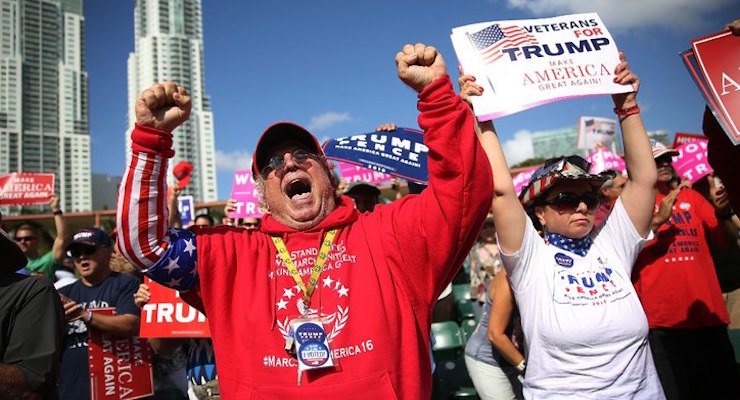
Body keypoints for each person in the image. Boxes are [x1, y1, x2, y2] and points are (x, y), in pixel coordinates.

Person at [116, 43, 492, 398]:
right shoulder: (231, 252)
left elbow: (465, 191)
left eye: (301, 154)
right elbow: (144, 247)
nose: (289, 164)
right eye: (273, 165)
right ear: (263, 194)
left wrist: (438, 98)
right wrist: (151, 140)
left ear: (329, 174)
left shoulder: (389, 233)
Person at [460, 52, 665, 398]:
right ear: (540, 213)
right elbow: (500, 192)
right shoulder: (530, 260)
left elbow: (644, 180)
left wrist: (627, 106)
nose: (582, 206)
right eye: (566, 199)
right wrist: (483, 116)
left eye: (590, 197)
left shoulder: (612, 243)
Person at [631, 142, 740, 400]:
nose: (665, 164)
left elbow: (726, 242)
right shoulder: (630, 206)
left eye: (667, 159)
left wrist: (724, 213)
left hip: (707, 316)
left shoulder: (691, 197)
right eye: (657, 161)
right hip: (661, 324)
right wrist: (656, 220)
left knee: (725, 390)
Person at [57, 227, 141, 400]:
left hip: (120, 387)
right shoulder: (65, 292)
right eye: (75, 252)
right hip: (72, 390)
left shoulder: (126, 284)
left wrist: (85, 315)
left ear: (108, 251)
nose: (81, 257)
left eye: (89, 250)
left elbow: (131, 324)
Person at [0, 211, 65, 399]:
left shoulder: (32, 289)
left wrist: (57, 211)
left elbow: (31, 382)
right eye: (20, 238)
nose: (24, 241)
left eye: (29, 238)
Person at [464, 270, 524, 400]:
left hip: (512, 358)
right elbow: (495, 335)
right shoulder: (508, 277)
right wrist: (525, 367)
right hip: (487, 357)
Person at [14, 194, 68, 279]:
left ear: (38, 240)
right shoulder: (10, 264)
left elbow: (62, 238)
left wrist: (55, 209)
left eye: (28, 238)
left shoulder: (46, 262)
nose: (23, 242)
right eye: (18, 239)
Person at [467, 215, 501, 319]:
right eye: (484, 227)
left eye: (491, 226)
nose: (488, 230)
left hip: (503, 297)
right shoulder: (474, 250)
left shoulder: (504, 248)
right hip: (482, 300)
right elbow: (484, 273)